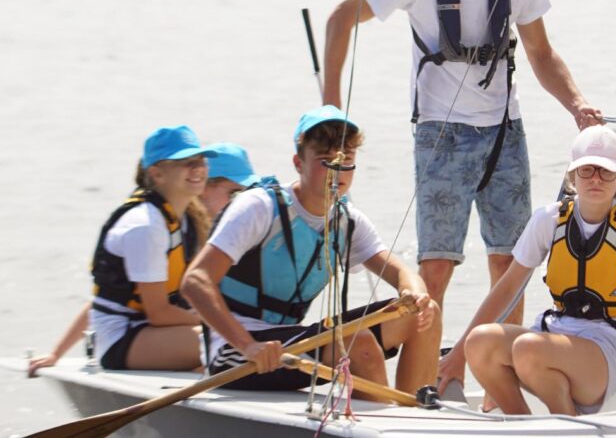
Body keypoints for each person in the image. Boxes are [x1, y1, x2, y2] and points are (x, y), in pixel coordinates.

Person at [322, 0, 600, 324]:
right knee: (436, 268)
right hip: (441, 134)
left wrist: (578, 105)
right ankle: (423, 365)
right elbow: (340, 19)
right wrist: (332, 112)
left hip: (505, 133)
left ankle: (497, 367)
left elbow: (541, 53)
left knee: (510, 264)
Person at [437, 125, 616, 416]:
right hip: (551, 336)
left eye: (606, 171)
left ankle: (568, 423)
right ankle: (525, 425)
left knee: (528, 348)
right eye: (587, 170)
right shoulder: (548, 220)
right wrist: (458, 355)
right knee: (479, 342)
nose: (596, 179)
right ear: (572, 176)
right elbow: (507, 287)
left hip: (607, 348)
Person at [181, 106, 441, 393]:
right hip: (237, 350)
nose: (337, 171)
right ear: (298, 163)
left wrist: (415, 294)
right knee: (359, 343)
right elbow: (195, 281)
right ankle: (385, 416)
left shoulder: (348, 221)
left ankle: (413, 407)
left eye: (346, 160)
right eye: (325, 160)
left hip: (289, 341)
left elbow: (402, 273)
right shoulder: (259, 207)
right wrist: (248, 345)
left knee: (424, 313)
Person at [27, 141, 258, 376]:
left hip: (156, 333)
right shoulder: (149, 225)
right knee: (232, 342)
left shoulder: (190, 225)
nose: (241, 205)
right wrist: (56, 354)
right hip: (128, 336)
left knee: (240, 339)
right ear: (205, 186)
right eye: (234, 194)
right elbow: (109, 302)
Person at [86, 125, 218, 371]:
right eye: (186, 162)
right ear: (157, 174)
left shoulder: (185, 219)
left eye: (201, 160)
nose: (198, 168)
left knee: (235, 338)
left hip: (154, 331)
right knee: (226, 343)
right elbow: (159, 313)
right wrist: (221, 324)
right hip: (122, 336)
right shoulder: (146, 226)